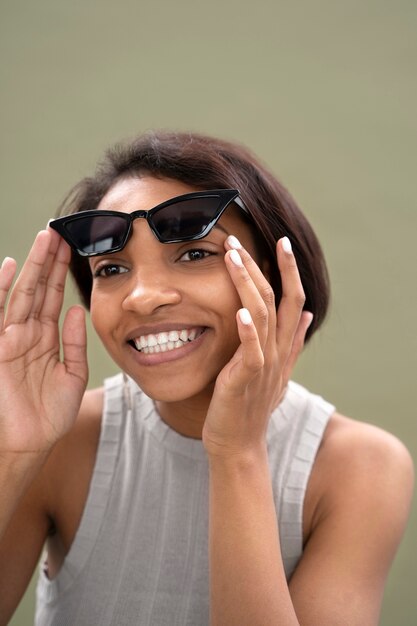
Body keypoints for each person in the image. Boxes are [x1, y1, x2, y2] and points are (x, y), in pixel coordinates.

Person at [0, 131, 413, 626]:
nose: (142, 297)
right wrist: (12, 457)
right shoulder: (61, 442)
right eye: (111, 269)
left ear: (275, 279)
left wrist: (236, 451)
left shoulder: (361, 468)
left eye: (195, 254)